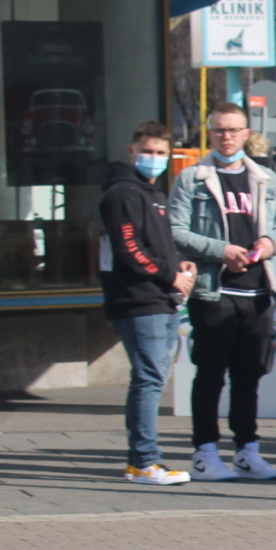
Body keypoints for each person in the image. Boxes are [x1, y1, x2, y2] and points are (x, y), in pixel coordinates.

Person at [169, 102, 276, 481]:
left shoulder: (265, 179)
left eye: (234, 130)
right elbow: (176, 232)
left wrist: (270, 243)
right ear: (210, 134)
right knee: (209, 374)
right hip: (214, 291)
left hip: (258, 292)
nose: (227, 137)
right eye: (220, 130)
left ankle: (248, 450)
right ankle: (205, 451)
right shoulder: (192, 179)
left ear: (246, 133)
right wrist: (220, 251)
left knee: (249, 375)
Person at [98, 121, 196, 486]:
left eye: (160, 153)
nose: (153, 159)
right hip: (139, 299)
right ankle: (144, 461)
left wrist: (177, 265)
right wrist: (169, 276)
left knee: (151, 378)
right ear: (131, 150)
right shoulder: (124, 194)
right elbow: (129, 249)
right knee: (148, 379)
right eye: (147, 151)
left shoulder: (151, 193)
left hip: (159, 297)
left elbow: (154, 244)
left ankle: (142, 459)